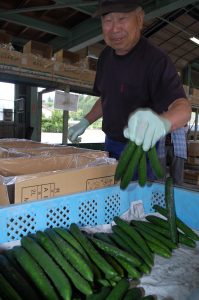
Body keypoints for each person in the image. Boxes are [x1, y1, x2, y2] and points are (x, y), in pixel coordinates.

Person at [68, 0, 191, 179]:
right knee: (112, 193)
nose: (115, 28)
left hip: (142, 150)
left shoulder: (156, 60)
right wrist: (85, 121)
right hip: (110, 144)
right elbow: (106, 98)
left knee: (138, 199)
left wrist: (162, 122)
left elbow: (183, 108)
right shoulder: (105, 57)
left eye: (122, 18)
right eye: (108, 20)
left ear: (139, 19)